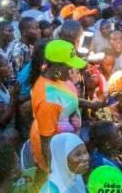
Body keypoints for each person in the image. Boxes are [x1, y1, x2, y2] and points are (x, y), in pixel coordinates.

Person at [30, 39, 85, 172]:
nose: (72, 70)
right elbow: (46, 141)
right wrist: (54, 171)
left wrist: (92, 104)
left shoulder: (56, 79)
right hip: (56, 155)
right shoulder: (48, 100)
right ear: (57, 67)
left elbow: (66, 101)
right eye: (69, 67)